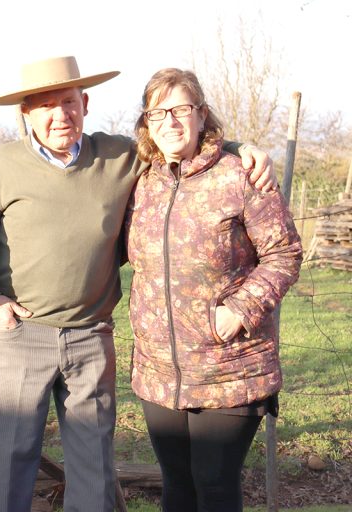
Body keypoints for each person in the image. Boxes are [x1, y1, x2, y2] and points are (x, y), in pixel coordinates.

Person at [0, 55, 277, 512]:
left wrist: (242, 147)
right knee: (11, 466)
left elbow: (183, 141)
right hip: (21, 337)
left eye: (68, 102)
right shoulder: (0, 168)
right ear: (26, 114)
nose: (60, 115)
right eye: (45, 105)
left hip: (91, 337)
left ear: (85, 103)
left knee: (94, 476)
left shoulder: (119, 157)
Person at [125, 68, 302, 512]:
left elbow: (284, 253)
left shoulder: (239, 176)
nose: (170, 121)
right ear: (146, 122)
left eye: (181, 109)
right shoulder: (141, 182)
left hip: (230, 365)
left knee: (215, 485)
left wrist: (241, 309)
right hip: (160, 371)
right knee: (177, 487)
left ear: (202, 115)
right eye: (158, 112)